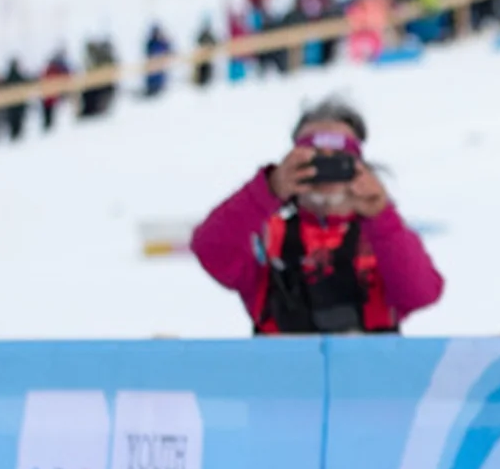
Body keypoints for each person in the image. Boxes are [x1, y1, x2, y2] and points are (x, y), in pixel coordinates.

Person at [190, 99, 444, 334]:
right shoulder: (269, 235)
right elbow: (211, 249)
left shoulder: (380, 237)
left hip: (368, 374)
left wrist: (380, 215)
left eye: (339, 161)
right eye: (314, 161)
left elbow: (420, 293)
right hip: (285, 373)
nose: (325, 172)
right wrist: (267, 190)